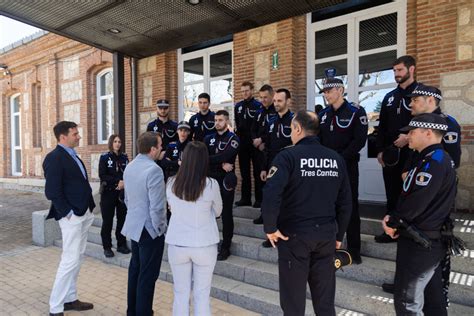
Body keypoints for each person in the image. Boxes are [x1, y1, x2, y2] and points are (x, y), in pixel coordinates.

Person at [261, 110, 352, 316]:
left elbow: (271, 194)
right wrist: (339, 235)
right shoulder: (335, 158)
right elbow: (346, 202)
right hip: (327, 235)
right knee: (325, 302)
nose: (290, 133)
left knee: (293, 303)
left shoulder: (287, 156)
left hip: (295, 236)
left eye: (291, 128)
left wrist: (270, 228)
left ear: (298, 128)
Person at [380, 85, 461, 306]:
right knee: (428, 297)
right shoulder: (425, 154)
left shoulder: (437, 154)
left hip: (424, 232)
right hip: (418, 230)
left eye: (415, 99)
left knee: (410, 302)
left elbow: (420, 199)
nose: (411, 103)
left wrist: (395, 220)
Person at [43, 121, 96, 316]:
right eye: (75, 134)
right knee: (69, 260)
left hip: (84, 213)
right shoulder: (54, 158)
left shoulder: (72, 155)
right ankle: (55, 308)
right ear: (63, 137)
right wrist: (68, 214)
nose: (79, 136)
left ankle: (70, 298)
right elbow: (52, 192)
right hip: (71, 216)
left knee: (77, 257)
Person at [165, 141, 223, 316]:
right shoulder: (211, 184)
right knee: (202, 295)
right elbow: (219, 211)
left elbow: (172, 209)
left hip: (178, 244)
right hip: (204, 244)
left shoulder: (171, 184)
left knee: (181, 294)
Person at [318, 78, 368, 263]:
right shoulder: (323, 114)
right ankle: (329, 245)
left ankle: (354, 250)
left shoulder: (356, 111)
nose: (326, 94)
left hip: (347, 167)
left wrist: (340, 158)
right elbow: (319, 140)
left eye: (329, 91)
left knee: (350, 207)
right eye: (324, 91)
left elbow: (359, 140)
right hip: (327, 169)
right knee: (329, 207)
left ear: (340, 90)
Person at [121, 132, 167, 316]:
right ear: (153, 149)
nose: (162, 148)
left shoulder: (130, 166)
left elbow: (126, 199)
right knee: (147, 276)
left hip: (134, 226)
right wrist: (160, 229)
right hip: (149, 230)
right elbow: (157, 207)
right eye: (160, 145)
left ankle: (132, 311)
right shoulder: (154, 170)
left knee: (135, 271)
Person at [375, 55, 418, 243]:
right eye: (394, 71)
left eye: (399, 70)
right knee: (392, 194)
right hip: (392, 156)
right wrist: (380, 151)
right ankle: (390, 231)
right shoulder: (389, 97)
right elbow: (382, 127)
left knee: (411, 194)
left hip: (414, 154)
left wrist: (409, 137)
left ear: (412, 69)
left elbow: (432, 122)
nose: (396, 74)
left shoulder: (423, 93)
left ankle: (410, 233)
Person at [255, 88, 293, 234]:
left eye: (279, 101)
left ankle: (285, 233)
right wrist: (264, 168)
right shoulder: (271, 121)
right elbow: (268, 147)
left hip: (289, 167)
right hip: (272, 166)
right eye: (275, 100)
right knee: (272, 199)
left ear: (288, 101)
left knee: (286, 201)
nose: (276, 103)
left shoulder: (294, 120)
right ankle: (272, 235)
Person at [204, 110, 240, 261]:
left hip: (226, 179)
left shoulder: (233, 138)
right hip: (210, 179)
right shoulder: (208, 138)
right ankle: (208, 242)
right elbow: (203, 157)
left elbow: (226, 156)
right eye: (216, 120)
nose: (217, 122)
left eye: (220, 120)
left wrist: (213, 159)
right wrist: (220, 162)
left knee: (226, 213)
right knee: (207, 212)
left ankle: (226, 246)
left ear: (227, 121)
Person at [98, 134, 130, 258]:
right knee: (108, 221)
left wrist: (124, 183)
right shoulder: (105, 157)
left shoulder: (124, 157)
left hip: (121, 193)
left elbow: (127, 173)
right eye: (115, 141)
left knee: (122, 220)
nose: (118, 143)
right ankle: (107, 247)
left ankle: (121, 245)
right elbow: (102, 175)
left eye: (119, 141)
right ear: (111, 143)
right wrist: (118, 182)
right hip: (108, 193)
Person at [234, 81, 263, 208]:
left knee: (258, 172)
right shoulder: (238, 106)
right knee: (244, 172)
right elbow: (237, 123)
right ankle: (245, 198)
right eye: (243, 91)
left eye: (247, 90)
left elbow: (260, 124)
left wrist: (259, 139)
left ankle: (259, 199)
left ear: (252, 90)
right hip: (242, 143)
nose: (245, 93)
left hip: (255, 143)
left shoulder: (258, 105)